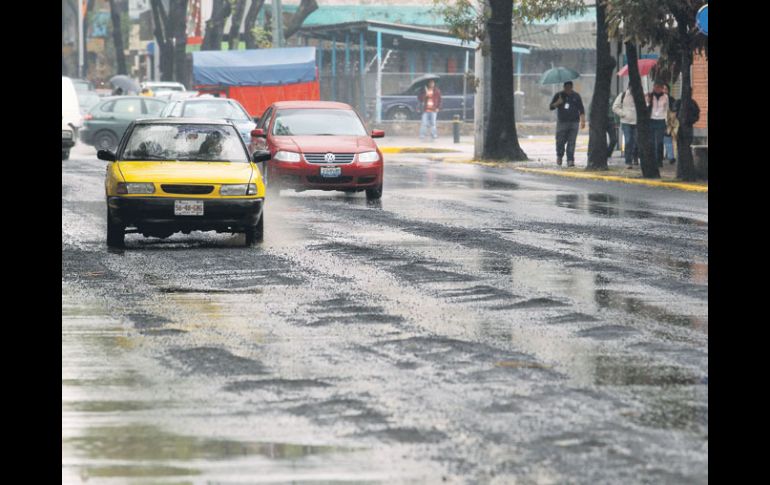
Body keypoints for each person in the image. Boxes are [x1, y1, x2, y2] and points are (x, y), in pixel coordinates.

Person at [549, 81, 585, 167]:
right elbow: (551, 107)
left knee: (572, 142)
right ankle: (559, 156)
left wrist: (583, 120)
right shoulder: (559, 95)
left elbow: (581, 109)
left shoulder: (576, 96)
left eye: (569, 88)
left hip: (574, 122)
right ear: (564, 87)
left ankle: (570, 160)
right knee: (560, 141)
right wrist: (558, 102)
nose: (568, 89)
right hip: (562, 122)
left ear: (572, 87)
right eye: (566, 88)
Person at [647, 81, 671, 168]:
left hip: (661, 120)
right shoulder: (649, 95)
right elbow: (646, 107)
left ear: (661, 88)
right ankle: (652, 160)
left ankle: (659, 160)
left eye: (659, 87)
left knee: (659, 142)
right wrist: (649, 102)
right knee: (652, 141)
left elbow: (667, 109)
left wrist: (666, 120)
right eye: (655, 87)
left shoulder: (665, 97)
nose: (657, 89)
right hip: (652, 120)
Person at [663, 83, 678, 164]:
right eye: (663, 89)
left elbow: (674, 110)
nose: (664, 91)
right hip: (659, 121)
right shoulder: (656, 98)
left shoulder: (671, 99)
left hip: (669, 123)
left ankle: (671, 157)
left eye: (666, 89)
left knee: (668, 139)